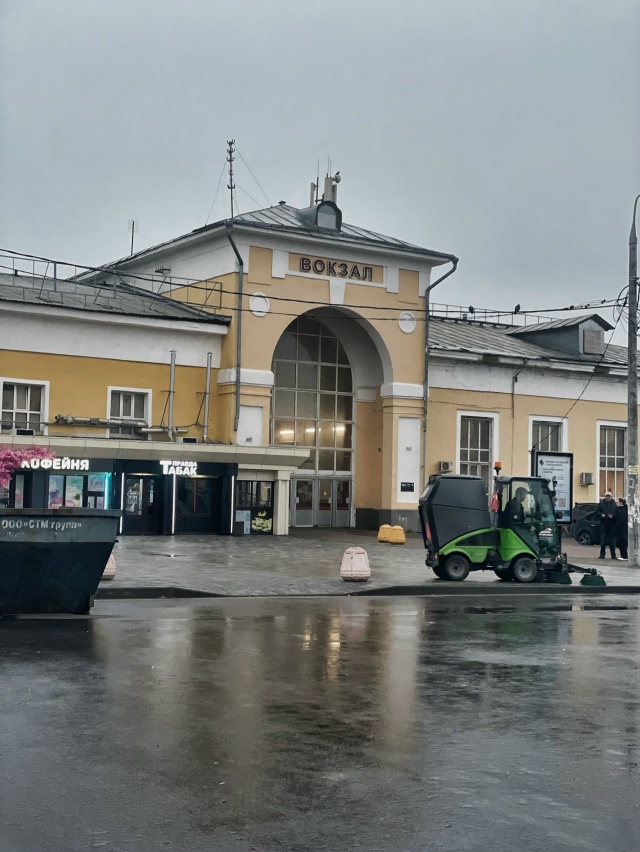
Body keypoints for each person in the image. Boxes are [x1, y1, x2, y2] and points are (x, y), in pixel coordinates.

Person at [598, 492, 617, 559]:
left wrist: (613, 516)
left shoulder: (614, 504)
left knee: (612, 541)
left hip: (612, 525)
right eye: (606, 496)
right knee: (603, 540)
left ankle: (613, 555)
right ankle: (602, 554)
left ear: (611, 497)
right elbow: (597, 512)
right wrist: (601, 514)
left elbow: (617, 513)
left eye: (609, 496)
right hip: (604, 524)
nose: (608, 497)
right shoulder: (601, 503)